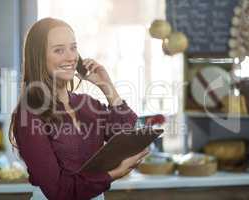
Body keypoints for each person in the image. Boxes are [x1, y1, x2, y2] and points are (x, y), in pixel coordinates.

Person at [9, 17, 149, 200]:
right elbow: (58, 191)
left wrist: (107, 87)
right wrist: (113, 175)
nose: (70, 57)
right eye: (59, 50)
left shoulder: (87, 104)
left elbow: (125, 137)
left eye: (73, 47)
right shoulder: (29, 114)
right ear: (39, 58)